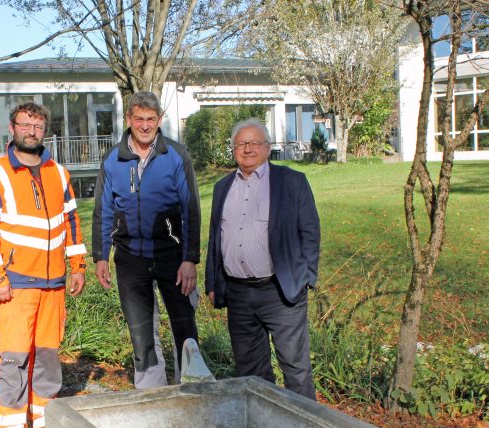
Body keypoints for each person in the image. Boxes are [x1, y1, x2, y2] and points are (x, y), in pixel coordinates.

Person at [0, 102, 87, 428]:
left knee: (48, 354)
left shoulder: (58, 172)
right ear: (12, 128)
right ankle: (11, 426)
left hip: (53, 282)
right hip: (15, 283)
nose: (31, 131)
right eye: (25, 125)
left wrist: (78, 264)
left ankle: (45, 415)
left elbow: (72, 221)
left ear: (45, 131)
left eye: (37, 126)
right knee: (15, 356)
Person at [204, 119, 320, 399]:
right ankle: (262, 423)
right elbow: (216, 238)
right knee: (250, 373)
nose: (248, 149)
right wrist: (213, 282)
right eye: (241, 144)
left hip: (280, 291)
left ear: (267, 148)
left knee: (296, 369)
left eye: (255, 143)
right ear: (233, 149)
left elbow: (310, 231)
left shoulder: (291, 182)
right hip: (238, 294)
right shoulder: (222, 187)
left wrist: (305, 276)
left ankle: (305, 424)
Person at [92, 91, 201, 389]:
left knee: (184, 325)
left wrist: (190, 258)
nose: (144, 125)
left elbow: (191, 209)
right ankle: (151, 391)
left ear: (160, 120)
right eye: (138, 119)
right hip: (130, 257)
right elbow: (103, 209)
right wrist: (101, 256)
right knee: (141, 331)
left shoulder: (177, 155)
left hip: (172, 255)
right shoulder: (113, 159)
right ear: (128, 119)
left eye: (150, 119)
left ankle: (190, 386)